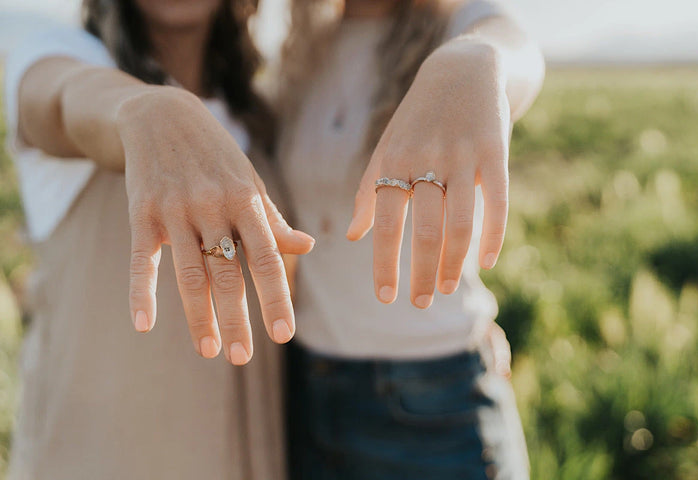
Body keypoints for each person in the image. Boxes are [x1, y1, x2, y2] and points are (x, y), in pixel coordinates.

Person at [3, 0, 315, 478]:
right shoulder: (65, 55)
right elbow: (63, 100)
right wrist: (144, 108)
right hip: (101, 458)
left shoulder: (257, 113)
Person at [277, 0, 544, 478]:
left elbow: (516, 53)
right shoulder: (304, 49)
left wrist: (475, 61)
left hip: (432, 398)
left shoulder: (459, 26)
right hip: (309, 388)